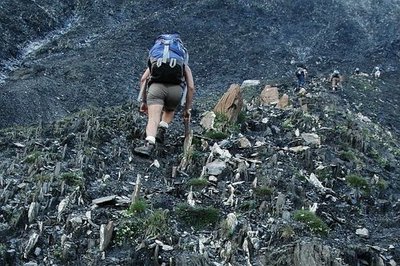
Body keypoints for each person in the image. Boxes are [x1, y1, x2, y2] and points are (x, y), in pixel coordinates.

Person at [134, 44, 195, 156]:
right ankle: (162, 129)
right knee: (169, 110)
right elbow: (191, 87)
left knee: (153, 118)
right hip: (176, 91)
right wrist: (187, 109)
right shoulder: (181, 62)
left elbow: (143, 79)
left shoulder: (157, 60)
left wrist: (143, 101)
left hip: (156, 88)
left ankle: (149, 144)